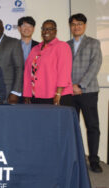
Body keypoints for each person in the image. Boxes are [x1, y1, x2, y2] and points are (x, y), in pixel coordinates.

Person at [67, 13, 103, 173]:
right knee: (72, 126)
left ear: (85, 25)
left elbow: (95, 65)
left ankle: (94, 160)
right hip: (70, 92)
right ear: (70, 26)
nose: (76, 27)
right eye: (73, 24)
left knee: (92, 126)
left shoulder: (93, 43)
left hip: (88, 91)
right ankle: (74, 158)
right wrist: (70, 86)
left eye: (79, 24)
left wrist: (81, 84)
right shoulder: (65, 45)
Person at [23, 20, 73, 106]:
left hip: (56, 96)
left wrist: (58, 94)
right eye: (44, 29)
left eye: (50, 29)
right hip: (36, 96)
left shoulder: (62, 46)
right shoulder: (35, 48)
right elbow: (28, 72)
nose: (46, 32)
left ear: (55, 31)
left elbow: (64, 72)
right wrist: (27, 94)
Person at [0, 18, 24, 104]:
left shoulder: (14, 43)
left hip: (8, 91)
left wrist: (15, 92)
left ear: (3, 29)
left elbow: (19, 68)